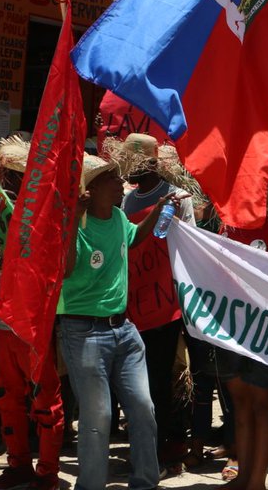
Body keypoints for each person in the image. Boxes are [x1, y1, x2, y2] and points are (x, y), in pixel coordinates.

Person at [57, 155, 166, 490]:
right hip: (83, 333)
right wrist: (73, 220)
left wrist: (158, 210)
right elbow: (65, 269)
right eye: (113, 179)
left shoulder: (119, 216)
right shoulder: (75, 224)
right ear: (91, 189)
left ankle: (145, 483)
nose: (122, 184)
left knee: (143, 407)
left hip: (124, 330)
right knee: (98, 417)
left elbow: (133, 238)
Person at [104, 134, 197, 474]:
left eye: (135, 165)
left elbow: (191, 247)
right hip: (134, 305)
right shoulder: (127, 203)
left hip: (167, 305)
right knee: (137, 383)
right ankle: (147, 446)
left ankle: (162, 449)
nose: (129, 171)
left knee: (161, 380)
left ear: (152, 165)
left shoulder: (179, 198)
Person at [0, 136, 66, 490]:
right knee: (6, 399)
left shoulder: (44, 219)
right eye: (7, 174)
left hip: (32, 324)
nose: (11, 181)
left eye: (18, 174)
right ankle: (18, 464)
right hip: (1, 323)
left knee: (45, 401)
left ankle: (47, 472)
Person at [216, 187, 268, 490]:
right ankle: (243, 477)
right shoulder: (227, 228)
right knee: (240, 404)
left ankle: (257, 482)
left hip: (266, 330)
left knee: (263, 404)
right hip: (231, 329)